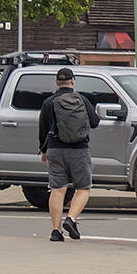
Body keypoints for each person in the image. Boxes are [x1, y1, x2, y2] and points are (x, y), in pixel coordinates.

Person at [38, 67, 100, 241]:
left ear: (56, 82)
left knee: (57, 189)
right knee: (83, 188)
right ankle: (71, 219)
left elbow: (42, 130)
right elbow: (95, 123)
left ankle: (56, 231)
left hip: (55, 149)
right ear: (73, 81)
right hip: (79, 150)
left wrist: (44, 151)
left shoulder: (48, 103)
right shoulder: (82, 100)